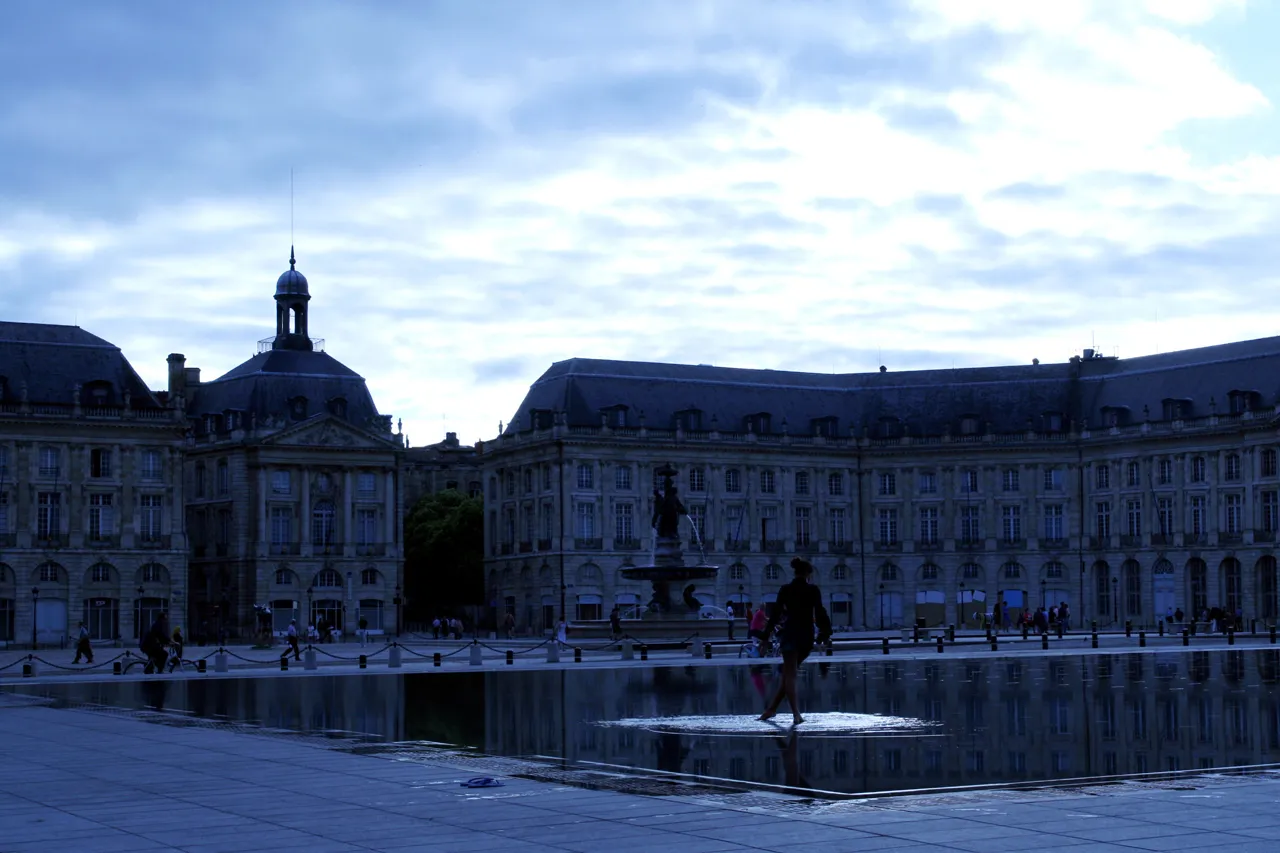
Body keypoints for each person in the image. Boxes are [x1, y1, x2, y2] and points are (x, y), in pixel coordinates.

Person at [758, 557, 831, 725]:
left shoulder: (785, 589)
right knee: (789, 674)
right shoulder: (813, 590)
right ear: (807, 574)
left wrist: (765, 636)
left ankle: (795, 714)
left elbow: (775, 614)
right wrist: (825, 632)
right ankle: (771, 709)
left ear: (796, 572)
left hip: (790, 633)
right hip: (806, 636)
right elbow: (820, 612)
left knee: (789, 675)